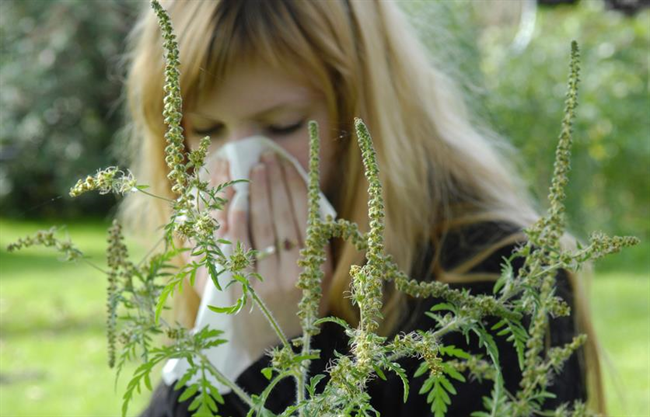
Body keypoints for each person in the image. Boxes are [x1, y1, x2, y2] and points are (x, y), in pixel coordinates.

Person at [118, 0, 601, 415]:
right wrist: (220, 341)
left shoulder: (498, 274)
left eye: (283, 126)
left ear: (360, 111)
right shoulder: (212, 256)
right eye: (206, 132)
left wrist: (285, 357)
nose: (242, 173)